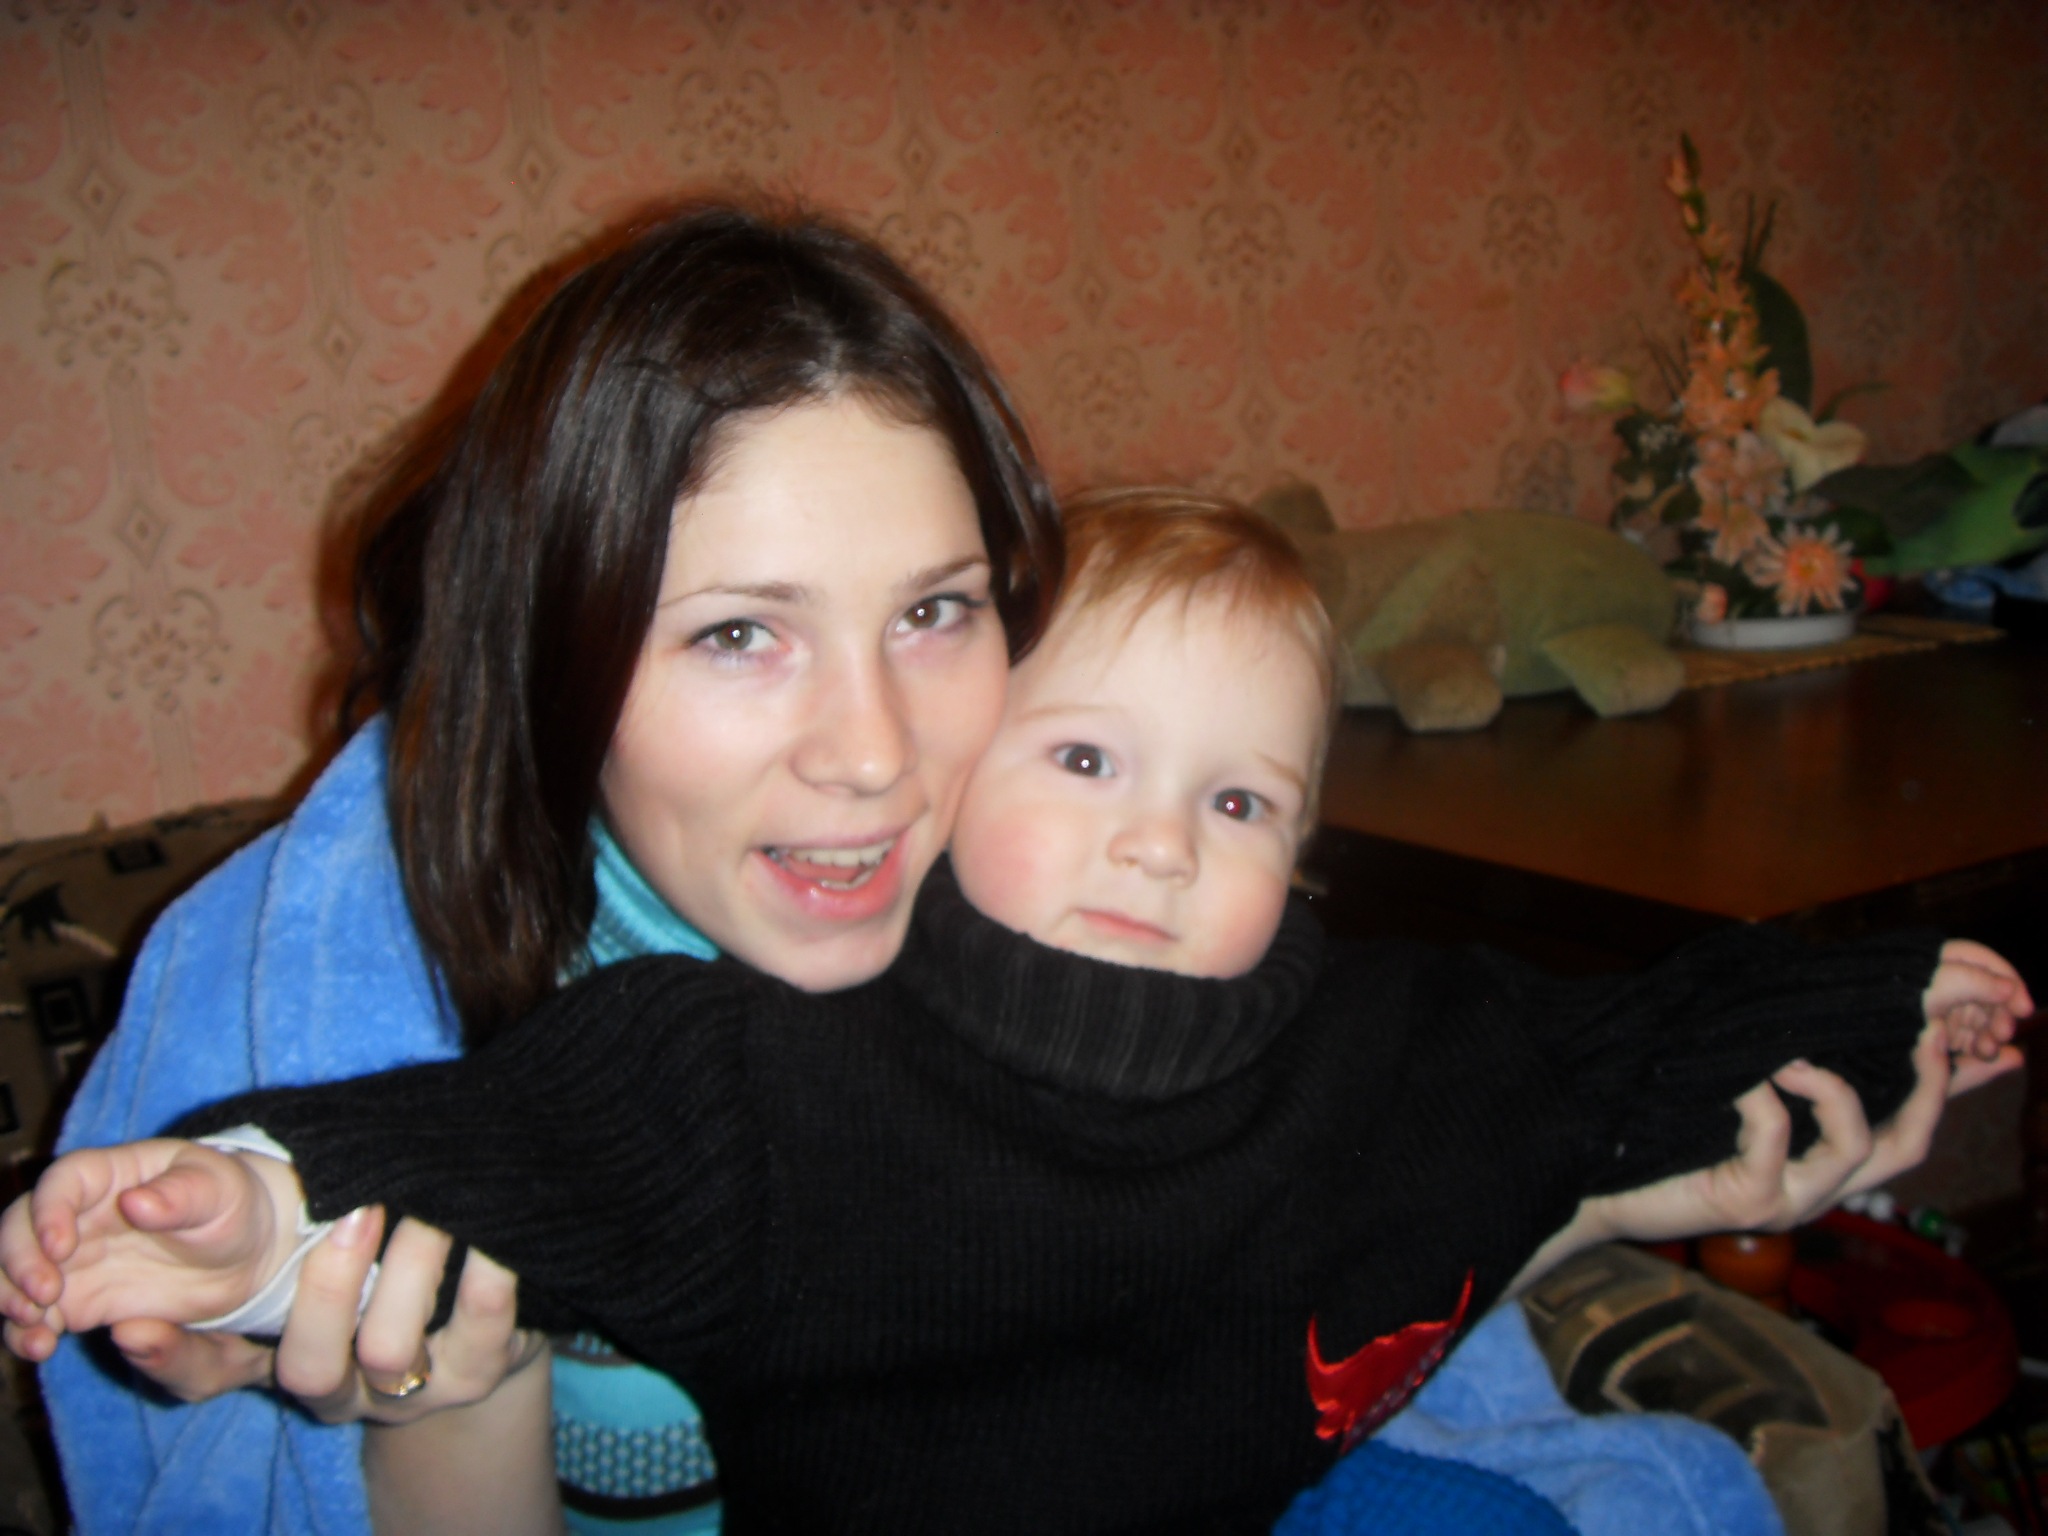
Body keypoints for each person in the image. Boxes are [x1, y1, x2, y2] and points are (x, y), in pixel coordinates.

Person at [10, 492, 2028, 1534]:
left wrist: (1865, 998)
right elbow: (471, 1148)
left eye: (1238, 803)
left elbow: (1601, 1054)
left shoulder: (1372, 1026)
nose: (1158, 841)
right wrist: (239, 1211)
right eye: (1085, 761)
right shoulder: (766, 1072)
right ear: (952, 772)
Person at [37, 198, 1062, 1536]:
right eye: (740, 634)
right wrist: (445, 1398)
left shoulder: (1075, 920)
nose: (875, 754)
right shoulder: (330, 1008)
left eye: (933, 610)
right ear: (547, 647)